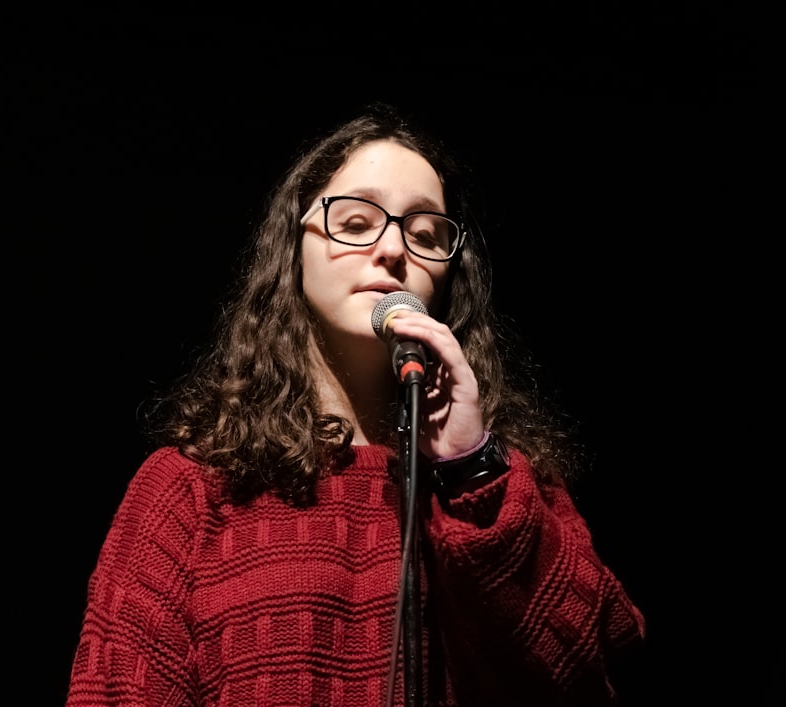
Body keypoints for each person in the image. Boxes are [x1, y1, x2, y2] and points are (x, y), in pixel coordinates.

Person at [65, 102, 646, 707]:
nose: (394, 249)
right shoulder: (189, 489)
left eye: (424, 234)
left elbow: (584, 674)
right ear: (295, 247)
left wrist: (470, 468)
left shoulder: (508, 481)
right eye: (357, 221)